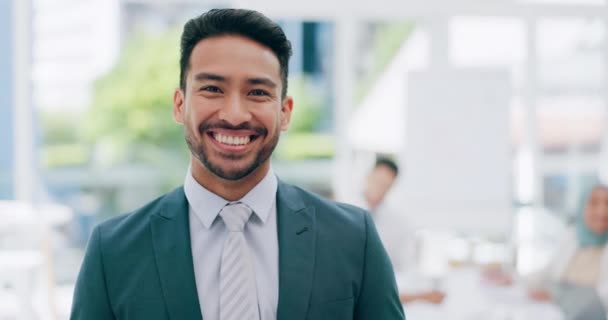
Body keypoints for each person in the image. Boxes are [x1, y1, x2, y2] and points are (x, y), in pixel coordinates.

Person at [70, 8, 404, 320]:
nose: (234, 115)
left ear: (284, 112)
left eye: (257, 93)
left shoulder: (352, 239)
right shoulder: (113, 252)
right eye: (213, 88)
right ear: (179, 104)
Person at [486, 184, 608, 318]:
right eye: (594, 203)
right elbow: (548, 272)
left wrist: (557, 298)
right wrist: (514, 278)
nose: (602, 211)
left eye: (607, 203)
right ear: (582, 207)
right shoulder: (572, 237)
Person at [361, 157, 445, 305]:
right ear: (368, 176)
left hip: (377, 297)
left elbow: (406, 268)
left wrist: (419, 294)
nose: (379, 188)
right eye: (377, 181)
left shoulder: (399, 224)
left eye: (385, 185)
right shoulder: (340, 208)